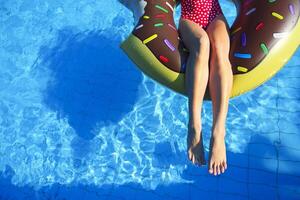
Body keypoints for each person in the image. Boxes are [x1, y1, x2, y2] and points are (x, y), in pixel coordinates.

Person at [178, 0, 233, 176]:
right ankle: (194, 126)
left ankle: (218, 132)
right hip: (189, 18)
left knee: (220, 49)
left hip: (214, 15)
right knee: (202, 43)